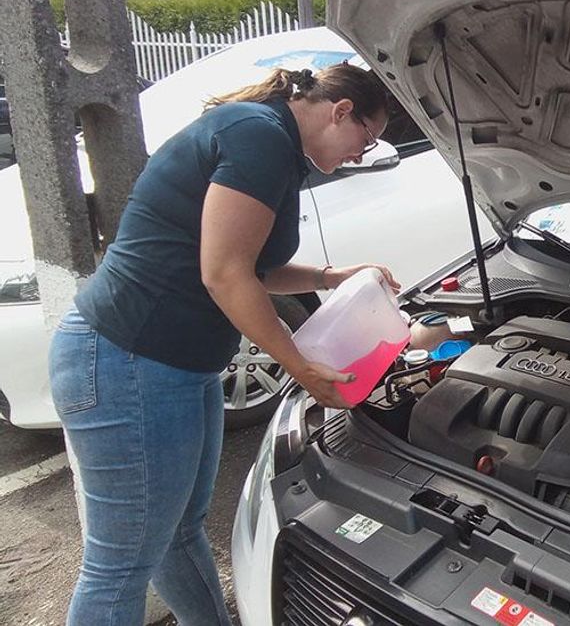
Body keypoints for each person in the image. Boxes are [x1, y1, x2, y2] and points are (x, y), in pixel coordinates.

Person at [48, 63, 399, 625]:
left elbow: (255, 267)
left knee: (179, 532)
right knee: (120, 565)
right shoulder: (256, 135)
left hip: (173, 365)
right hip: (126, 360)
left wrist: (332, 277)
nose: (363, 154)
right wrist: (299, 366)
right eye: (367, 138)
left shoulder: (277, 149)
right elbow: (225, 274)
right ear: (339, 111)